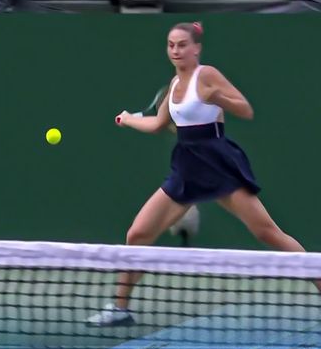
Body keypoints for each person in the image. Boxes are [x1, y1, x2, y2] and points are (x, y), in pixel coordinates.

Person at [87, 21, 316, 326]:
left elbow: (245, 109)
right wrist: (128, 119)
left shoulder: (206, 75)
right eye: (171, 45)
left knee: (267, 233)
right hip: (186, 167)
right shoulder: (173, 85)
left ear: (196, 48)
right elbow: (157, 123)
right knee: (137, 234)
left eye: (182, 45)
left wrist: (218, 98)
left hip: (217, 163)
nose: (176, 50)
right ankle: (120, 308)